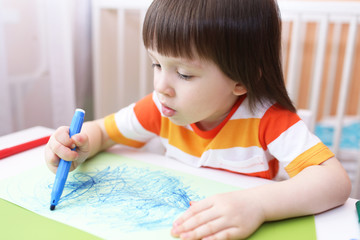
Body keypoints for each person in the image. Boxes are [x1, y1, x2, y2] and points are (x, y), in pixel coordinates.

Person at [45, 0, 351, 239]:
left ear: (241, 80)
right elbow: (102, 132)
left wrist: (257, 204)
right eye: (156, 64)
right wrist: (77, 145)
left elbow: (335, 182)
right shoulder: (160, 107)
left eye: (184, 73)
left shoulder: (268, 120)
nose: (161, 86)